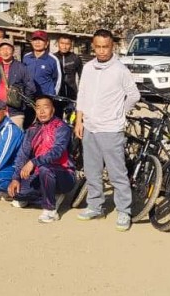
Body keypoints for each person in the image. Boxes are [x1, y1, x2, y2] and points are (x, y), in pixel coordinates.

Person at [74, 29, 140, 232]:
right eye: (98, 47)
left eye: (106, 47)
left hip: (111, 129)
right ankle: (95, 206)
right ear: (93, 46)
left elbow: (134, 95)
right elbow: (82, 94)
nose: (102, 51)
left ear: (113, 47)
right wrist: (79, 120)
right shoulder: (88, 68)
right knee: (92, 170)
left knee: (117, 172)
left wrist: (120, 113)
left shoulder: (120, 70)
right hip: (89, 127)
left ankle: (124, 211)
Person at [8, 95, 76, 223]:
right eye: (38, 108)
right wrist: (15, 178)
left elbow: (57, 152)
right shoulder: (32, 129)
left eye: (46, 107)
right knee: (16, 193)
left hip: (64, 174)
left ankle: (50, 209)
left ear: (53, 109)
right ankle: (51, 196)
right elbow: (22, 154)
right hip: (40, 174)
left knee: (45, 168)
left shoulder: (62, 127)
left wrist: (33, 162)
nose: (42, 111)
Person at [0, 39, 37, 129]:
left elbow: (31, 87)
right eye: (2, 49)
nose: (5, 52)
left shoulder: (21, 67)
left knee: (15, 136)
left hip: (14, 113)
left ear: (13, 51)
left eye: (8, 49)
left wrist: (22, 103)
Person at [23, 31, 61, 98]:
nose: (37, 42)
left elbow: (57, 80)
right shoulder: (26, 57)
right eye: (35, 40)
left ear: (47, 43)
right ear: (31, 42)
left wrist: (53, 96)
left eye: (41, 40)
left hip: (45, 98)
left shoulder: (53, 60)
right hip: (28, 97)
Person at [55, 35, 83, 101]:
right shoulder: (53, 58)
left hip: (72, 93)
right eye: (62, 43)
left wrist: (81, 92)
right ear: (57, 43)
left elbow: (82, 77)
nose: (64, 46)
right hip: (56, 92)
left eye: (67, 44)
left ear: (71, 45)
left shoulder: (76, 58)